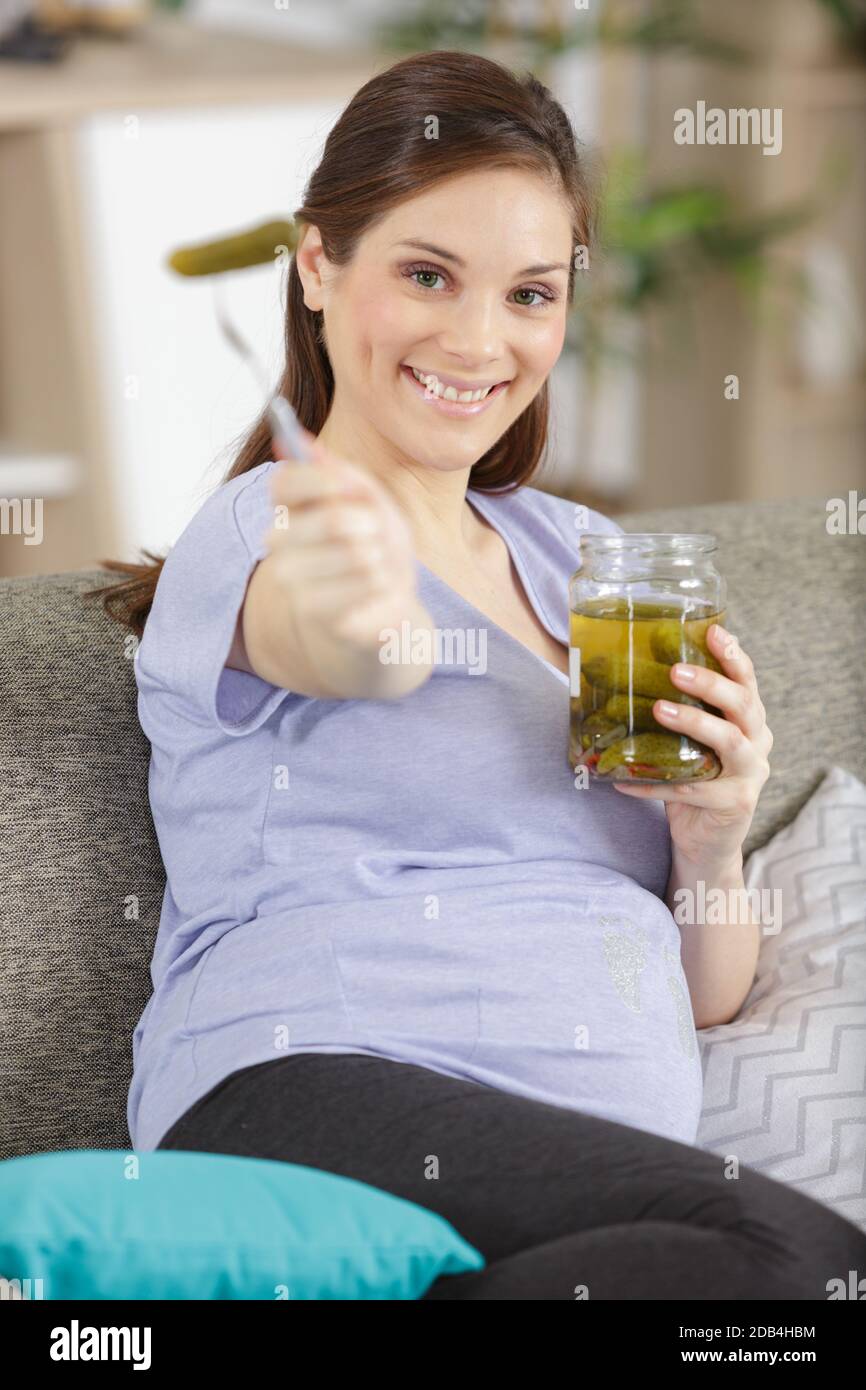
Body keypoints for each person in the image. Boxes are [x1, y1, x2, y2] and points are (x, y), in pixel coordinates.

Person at [95, 49, 865, 1300]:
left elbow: (706, 1003)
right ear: (315, 265)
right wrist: (385, 634)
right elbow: (340, 637)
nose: (478, 338)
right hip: (307, 1086)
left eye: (528, 294)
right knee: (797, 1259)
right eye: (425, 274)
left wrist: (711, 837)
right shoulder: (273, 527)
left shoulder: (597, 563)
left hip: (581, 1181)